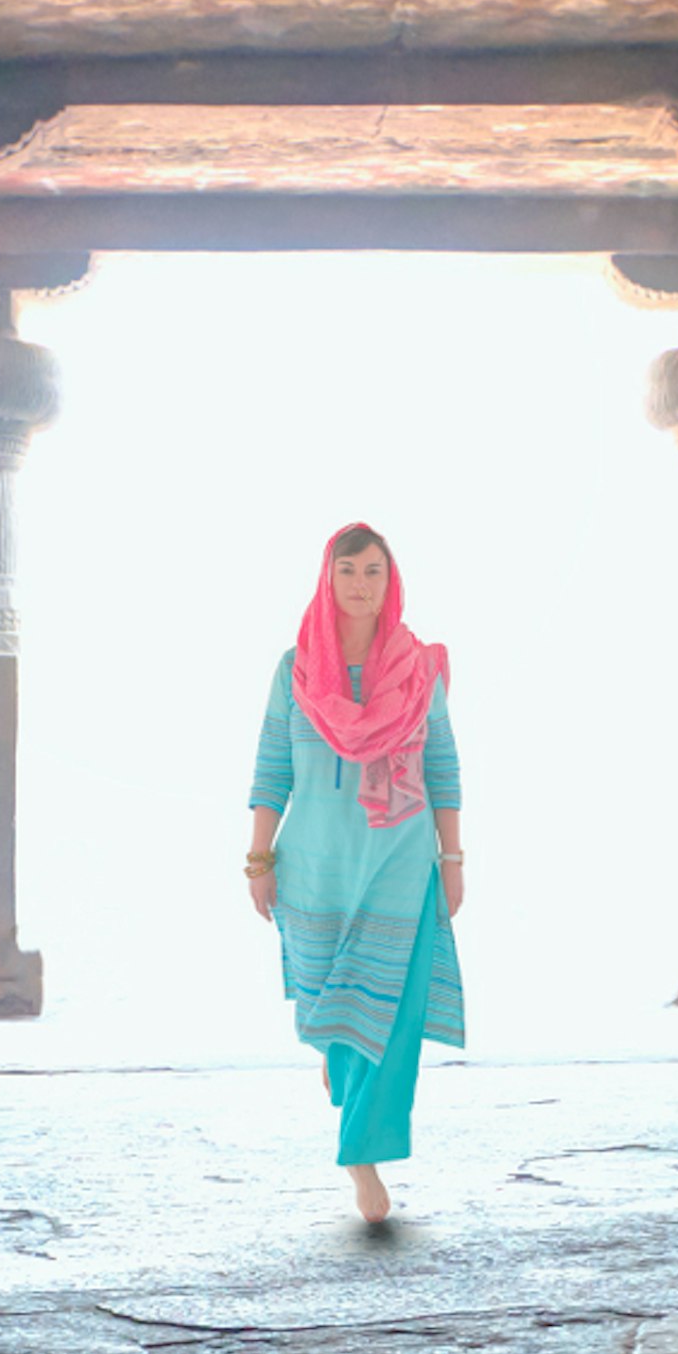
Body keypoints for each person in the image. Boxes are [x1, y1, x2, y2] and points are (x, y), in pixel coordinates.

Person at [246, 523, 465, 1224]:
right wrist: (259, 858)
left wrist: (451, 858)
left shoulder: (418, 668)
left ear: (390, 580)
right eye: (349, 571)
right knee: (333, 1007)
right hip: (314, 866)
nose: (361, 585)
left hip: (399, 859)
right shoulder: (296, 670)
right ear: (328, 578)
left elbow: (442, 769)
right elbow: (272, 769)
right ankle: (339, 1054)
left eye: (374, 571)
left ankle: (361, 1157)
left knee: (392, 1014)